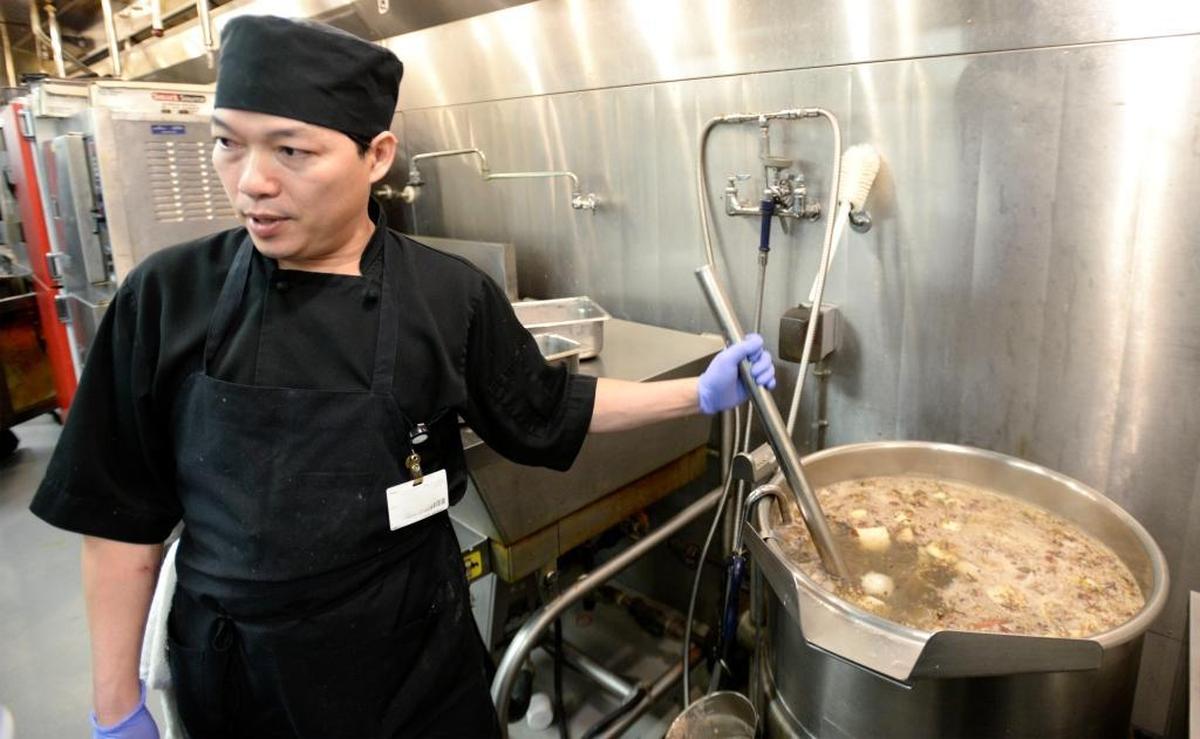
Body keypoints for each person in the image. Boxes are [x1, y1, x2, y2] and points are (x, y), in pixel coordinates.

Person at [29, 15, 776, 739]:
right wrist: (115, 703)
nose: (251, 182)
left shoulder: (446, 296)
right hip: (241, 673)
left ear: (377, 154)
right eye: (227, 143)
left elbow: (546, 406)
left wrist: (697, 392)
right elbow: (121, 521)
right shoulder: (166, 298)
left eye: (291, 151)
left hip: (412, 659)